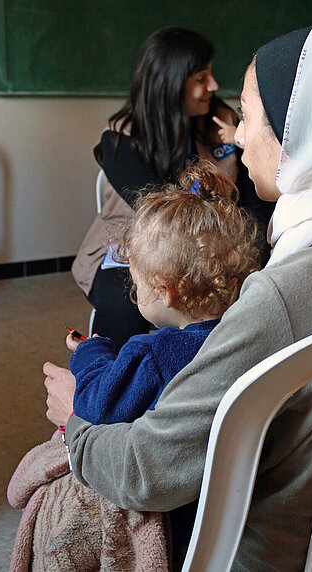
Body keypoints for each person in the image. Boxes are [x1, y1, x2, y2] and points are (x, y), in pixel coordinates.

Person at [45, 24, 312, 570]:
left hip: (253, 548)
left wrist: (76, 420)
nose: (235, 138)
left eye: (252, 118)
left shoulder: (276, 300)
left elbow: (143, 470)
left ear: (305, 134)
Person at [72, 26, 273, 351]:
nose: (214, 85)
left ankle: (209, 382)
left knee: (249, 286)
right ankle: (108, 389)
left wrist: (244, 145)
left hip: (210, 244)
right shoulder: (121, 138)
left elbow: (253, 201)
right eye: (200, 78)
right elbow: (161, 211)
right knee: (126, 297)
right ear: (170, 83)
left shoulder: (222, 122)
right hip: (133, 243)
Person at [67, 161, 260, 425]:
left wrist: (91, 354)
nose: (134, 294)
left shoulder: (152, 356)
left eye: (137, 284)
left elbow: (98, 403)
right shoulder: (247, 327)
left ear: (166, 291)